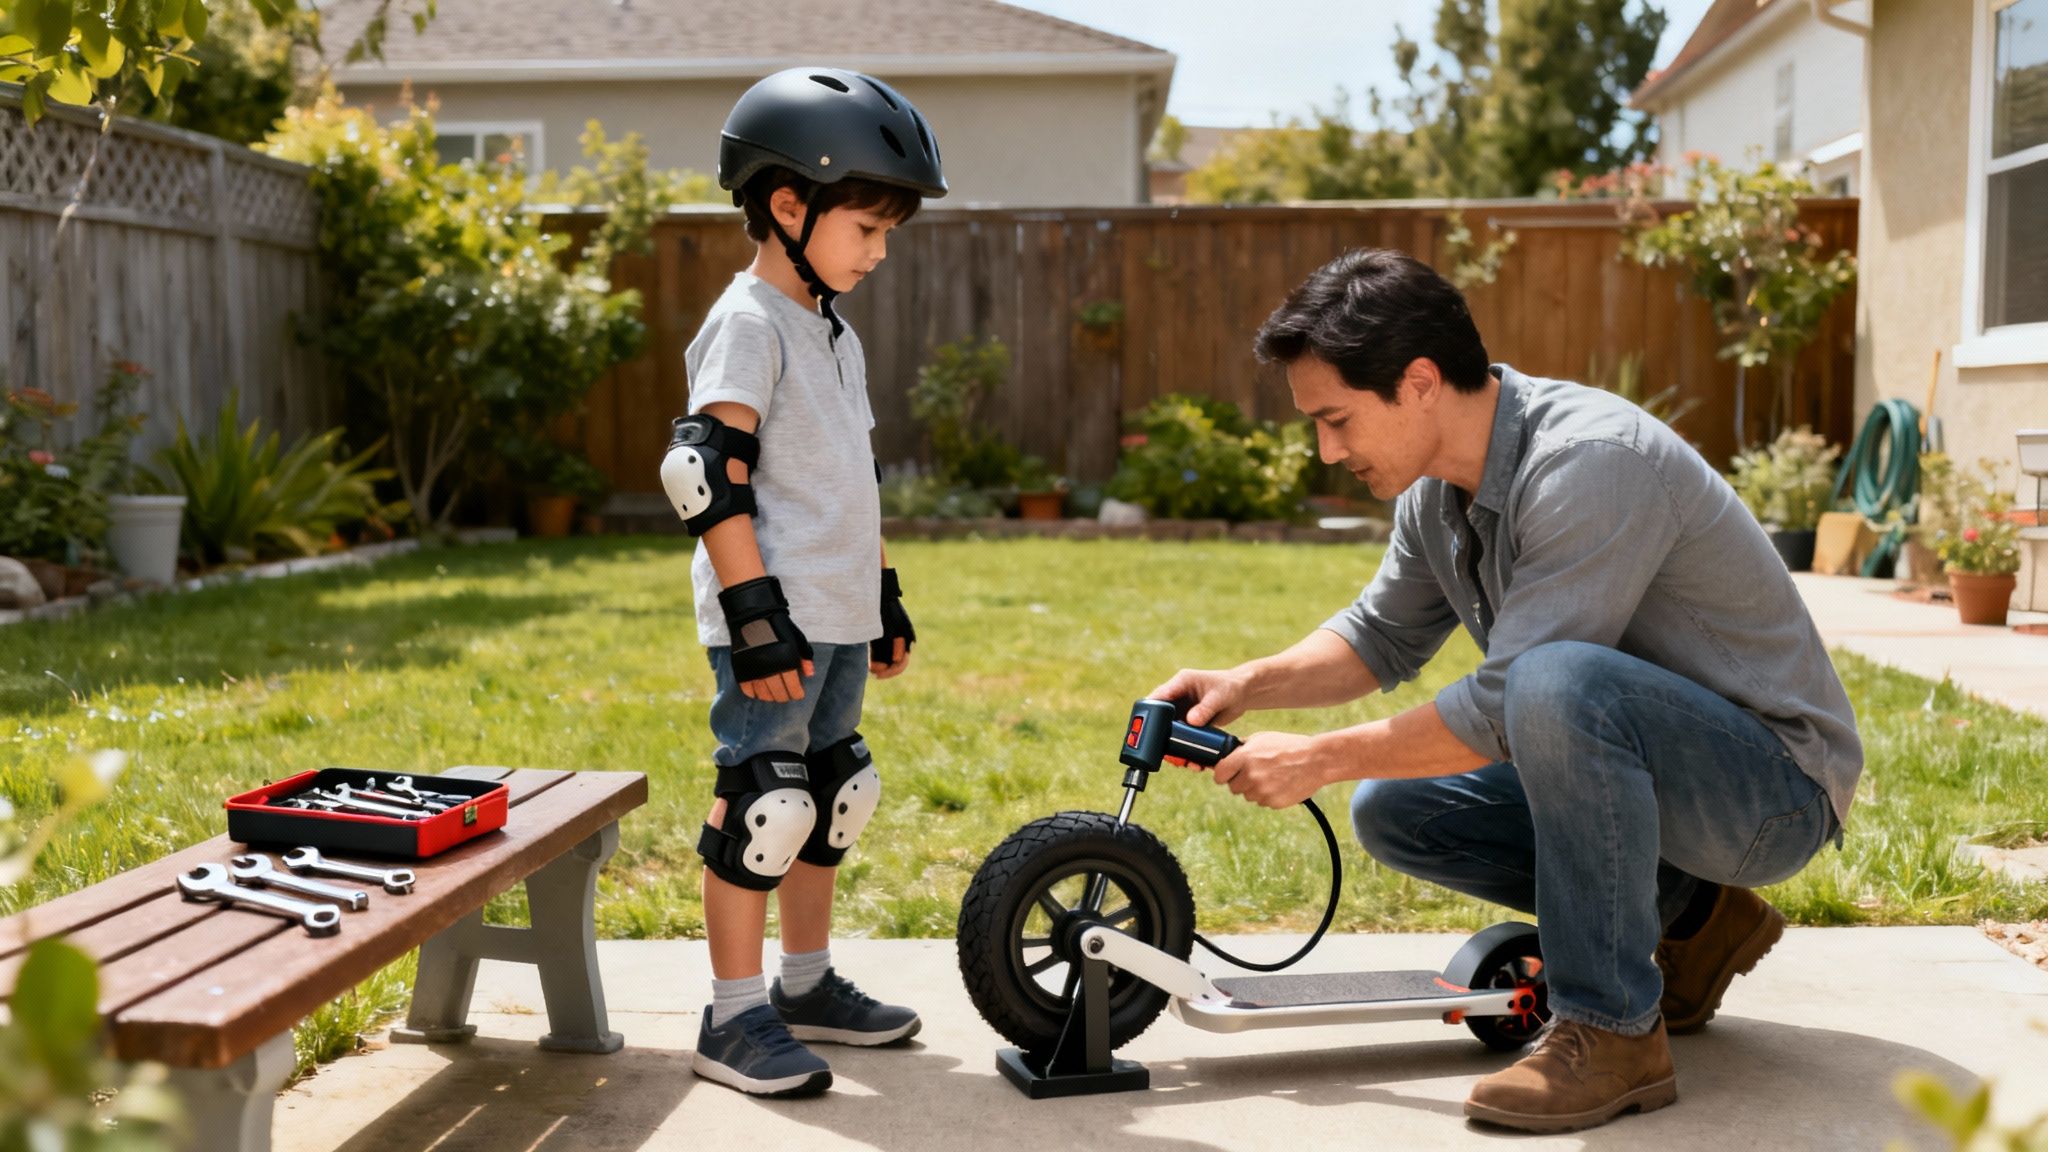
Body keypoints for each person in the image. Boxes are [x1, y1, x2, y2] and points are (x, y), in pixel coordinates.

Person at [1151, 248, 1862, 1133]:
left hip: (1772, 792)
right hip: (1662, 775)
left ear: (1417, 382)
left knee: (1555, 680)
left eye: (1335, 420)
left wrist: (1319, 758)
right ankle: (1700, 916)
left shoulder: (1591, 462)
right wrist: (1245, 685)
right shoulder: (1436, 495)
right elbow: (1376, 637)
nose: (1327, 451)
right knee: (1398, 808)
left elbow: (1509, 704)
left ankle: (1612, 1032)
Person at [660, 66, 943, 1098]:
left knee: (830, 796)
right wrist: (754, 617)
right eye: (866, 229)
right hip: (771, 620)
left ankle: (806, 984)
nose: (877, 252)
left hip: (833, 611)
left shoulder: (830, 330)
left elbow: (848, 479)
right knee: (763, 803)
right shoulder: (747, 322)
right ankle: (733, 1016)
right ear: (789, 205)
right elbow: (704, 473)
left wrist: (883, 594)